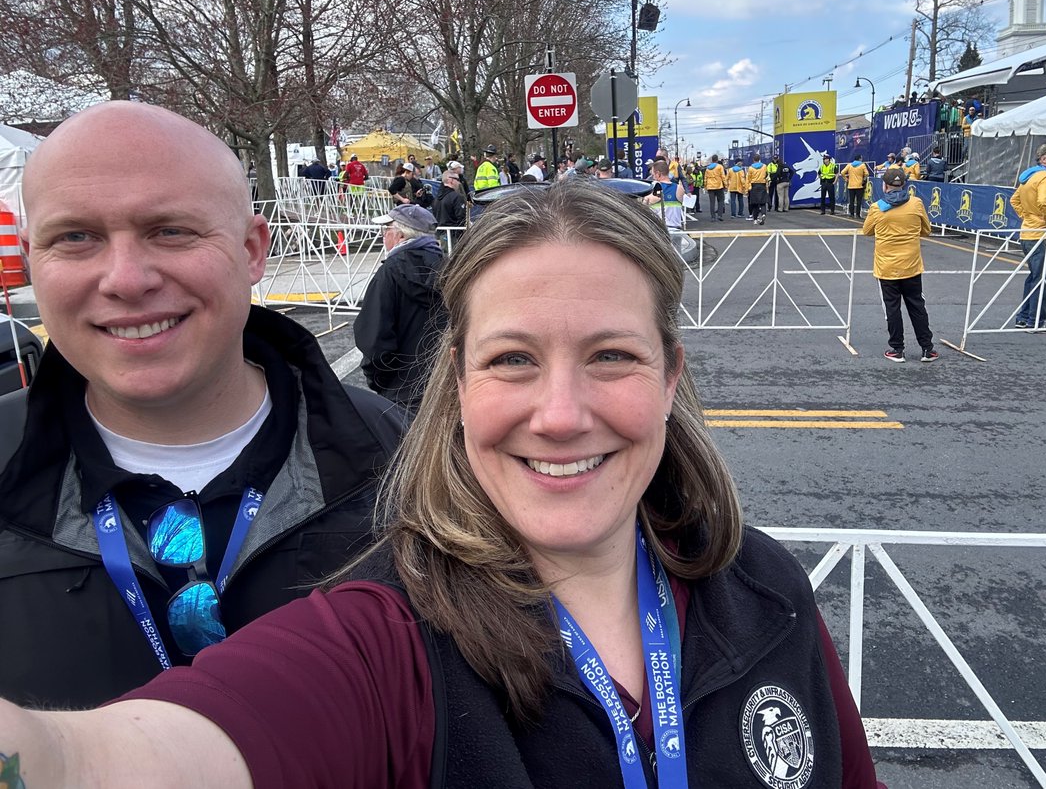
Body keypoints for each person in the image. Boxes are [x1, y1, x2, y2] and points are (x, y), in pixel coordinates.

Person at [0, 179, 882, 789]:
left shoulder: (766, 588)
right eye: (513, 361)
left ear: (670, 375)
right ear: (458, 383)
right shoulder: (380, 641)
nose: (562, 413)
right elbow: (107, 760)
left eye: (611, 356)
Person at [0, 102, 403, 709]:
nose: (126, 279)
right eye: (76, 238)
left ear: (251, 251)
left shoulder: (400, 456)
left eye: (170, 230)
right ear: (32, 261)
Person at [354, 204, 448, 428]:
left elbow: (374, 338)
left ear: (400, 235)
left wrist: (381, 381)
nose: (384, 236)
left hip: (401, 391)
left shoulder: (390, 273)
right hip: (444, 385)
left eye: (386, 230)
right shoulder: (449, 269)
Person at [863, 168, 937, 363]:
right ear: (904, 184)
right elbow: (927, 230)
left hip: (886, 266)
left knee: (892, 308)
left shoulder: (877, 207)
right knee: (917, 305)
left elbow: (867, 230)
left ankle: (897, 349)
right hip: (911, 264)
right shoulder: (916, 203)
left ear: (884, 186)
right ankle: (927, 349)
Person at [1010, 142, 1046, 329]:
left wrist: (1027, 216)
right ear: (1043, 158)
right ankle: (1036, 320)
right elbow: (1044, 200)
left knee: (1034, 277)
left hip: (1028, 231)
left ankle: (1024, 317)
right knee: (1042, 278)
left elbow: (1014, 199)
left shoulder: (1030, 176)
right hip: (1042, 233)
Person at [644, 158, 684, 229]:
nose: (652, 177)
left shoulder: (654, 188)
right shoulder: (679, 189)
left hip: (659, 230)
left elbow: (645, 204)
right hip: (676, 228)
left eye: (653, 175)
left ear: (658, 174)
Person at [840, 153, 870, 219]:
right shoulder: (862, 165)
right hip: (859, 186)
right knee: (859, 201)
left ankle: (851, 214)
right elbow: (867, 173)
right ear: (860, 159)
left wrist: (846, 179)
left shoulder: (849, 165)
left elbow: (842, 172)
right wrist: (864, 179)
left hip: (851, 185)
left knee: (851, 201)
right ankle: (858, 215)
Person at [746, 152, 770, 225]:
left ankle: (755, 219)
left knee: (755, 204)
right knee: (763, 202)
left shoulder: (750, 168)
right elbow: (767, 175)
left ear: (753, 160)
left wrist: (747, 188)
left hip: (754, 186)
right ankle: (763, 214)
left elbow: (748, 179)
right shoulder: (764, 166)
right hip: (762, 185)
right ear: (759, 159)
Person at [702, 152, 727, 222]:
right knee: (721, 200)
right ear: (717, 160)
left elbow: (705, 178)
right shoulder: (720, 167)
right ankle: (720, 215)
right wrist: (726, 185)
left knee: (712, 202)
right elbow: (723, 177)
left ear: (712, 160)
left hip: (710, 186)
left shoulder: (708, 168)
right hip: (719, 186)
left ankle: (713, 216)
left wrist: (705, 186)